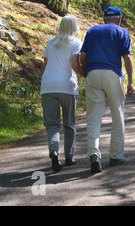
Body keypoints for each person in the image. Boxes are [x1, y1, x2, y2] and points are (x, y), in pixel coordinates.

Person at [79, 6, 134, 173]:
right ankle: (116, 156)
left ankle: (94, 154)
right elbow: (127, 58)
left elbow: (82, 57)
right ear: (119, 19)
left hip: (93, 74)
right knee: (117, 115)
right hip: (112, 74)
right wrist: (130, 82)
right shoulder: (122, 32)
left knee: (94, 117)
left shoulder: (92, 31)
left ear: (104, 19)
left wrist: (87, 72)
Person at [40, 14, 83, 173]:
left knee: (52, 124)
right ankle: (69, 157)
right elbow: (74, 65)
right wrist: (85, 74)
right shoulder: (76, 42)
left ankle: (54, 151)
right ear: (75, 27)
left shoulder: (51, 42)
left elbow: (45, 64)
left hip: (48, 86)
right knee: (69, 123)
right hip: (67, 86)